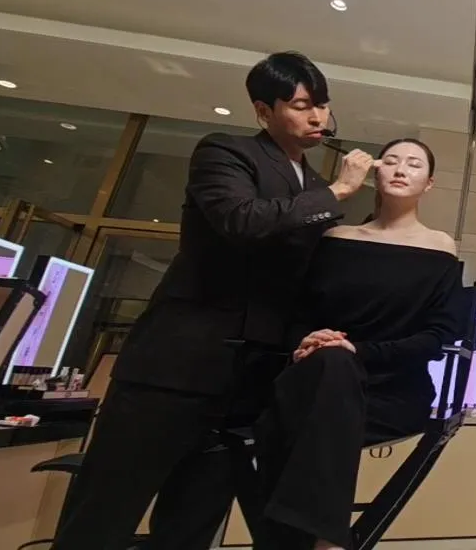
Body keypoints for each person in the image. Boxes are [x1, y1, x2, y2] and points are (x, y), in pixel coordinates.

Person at [52, 52, 378, 550]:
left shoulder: (312, 186)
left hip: (247, 384)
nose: (318, 117)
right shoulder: (227, 152)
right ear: (263, 111)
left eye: (323, 105)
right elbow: (241, 220)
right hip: (172, 371)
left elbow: (298, 280)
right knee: (103, 515)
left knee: (193, 523)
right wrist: (339, 191)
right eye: (301, 105)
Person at [252, 138, 464, 550]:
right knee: (326, 373)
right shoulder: (336, 237)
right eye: (392, 161)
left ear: (429, 183)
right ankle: (327, 541)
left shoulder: (440, 248)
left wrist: (358, 351)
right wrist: (310, 339)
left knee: (302, 409)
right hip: (318, 378)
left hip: (391, 391)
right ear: (374, 172)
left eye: (414, 164)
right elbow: (299, 313)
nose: (401, 170)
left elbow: (438, 336)